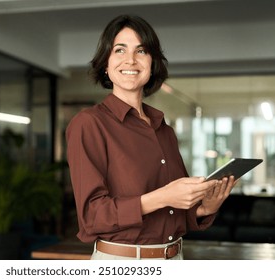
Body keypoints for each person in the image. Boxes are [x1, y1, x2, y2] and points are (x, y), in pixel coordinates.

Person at [65, 14, 237, 260]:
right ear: (105, 62)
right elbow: (92, 216)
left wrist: (204, 208)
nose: (131, 60)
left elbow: (171, 213)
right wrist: (163, 196)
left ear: (153, 62)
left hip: (175, 259)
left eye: (141, 51)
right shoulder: (89, 123)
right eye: (120, 50)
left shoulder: (164, 131)